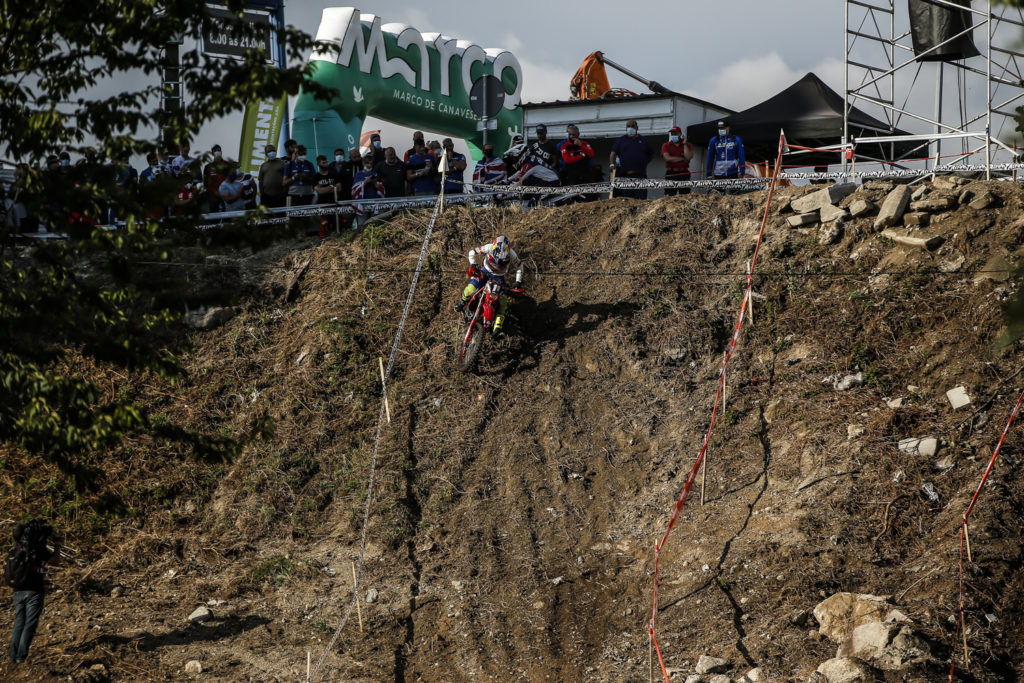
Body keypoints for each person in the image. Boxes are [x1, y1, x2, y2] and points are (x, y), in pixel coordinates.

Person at [7, 519, 61, 664]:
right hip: (34, 591)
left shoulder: (13, 550)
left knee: (19, 622)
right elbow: (55, 561)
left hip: (17, 591)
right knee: (30, 624)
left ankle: (13, 657)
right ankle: (21, 658)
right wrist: (56, 543)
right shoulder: (37, 550)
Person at [453, 235, 523, 339]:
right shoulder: (489, 247)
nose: (498, 264)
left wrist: (518, 281)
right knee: (471, 289)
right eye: (495, 260)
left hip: (499, 278)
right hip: (484, 271)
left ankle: (497, 329)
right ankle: (462, 301)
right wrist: (473, 264)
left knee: (503, 301)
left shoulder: (512, 254)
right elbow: (472, 252)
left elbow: (520, 266)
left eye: (501, 263)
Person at [610, 119, 654, 199]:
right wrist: (612, 164)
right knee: (627, 200)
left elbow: (651, 155)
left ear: (637, 128)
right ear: (626, 128)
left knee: (641, 200)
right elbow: (613, 153)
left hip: (641, 176)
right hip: (626, 176)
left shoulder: (644, 140)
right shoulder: (621, 140)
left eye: (632, 126)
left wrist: (644, 162)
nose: (630, 128)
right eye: (628, 126)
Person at [662, 126, 694, 196]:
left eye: (676, 134)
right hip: (671, 173)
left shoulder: (688, 145)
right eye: (672, 134)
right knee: (669, 196)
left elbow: (688, 157)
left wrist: (684, 144)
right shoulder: (666, 145)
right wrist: (682, 159)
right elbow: (668, 158)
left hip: (684, 173)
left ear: (681, 134)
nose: (674, 135)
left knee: (685, 196)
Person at [258, 143, 286, 208]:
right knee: (267, 216)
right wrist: (262, 193)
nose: (272, 152)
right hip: (266, 196)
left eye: (273, 151)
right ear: (266, 154)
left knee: (280, 215)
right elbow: (260, 180)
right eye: (269, 151)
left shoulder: (282, 163)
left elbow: (286, 178)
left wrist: (284, 192)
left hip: (279, 195)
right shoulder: (263, 165)